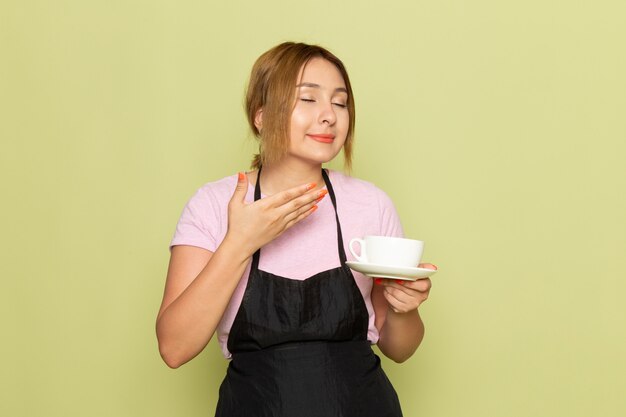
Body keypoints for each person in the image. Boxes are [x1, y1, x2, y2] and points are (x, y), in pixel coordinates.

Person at [156, 41, 436, 417]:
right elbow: (174, 348)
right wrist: (240, 242)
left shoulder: (371, 204)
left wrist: (406, 309)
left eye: (340, 102)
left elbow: (399, 349)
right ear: (261, 115)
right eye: (308, 99)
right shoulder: (212, 204)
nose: (329, 116)